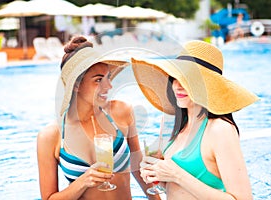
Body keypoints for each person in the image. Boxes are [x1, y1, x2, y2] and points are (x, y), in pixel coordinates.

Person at [131, 40, 259, 199]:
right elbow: (175, 187)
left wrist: (177, 175)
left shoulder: (220, 130)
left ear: (208, 85)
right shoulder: (172, 122)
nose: (178, 86)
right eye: (176, 77)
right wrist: (159, 176)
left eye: (188, 79)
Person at [37, 36, 159, 200]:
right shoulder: (51, 136)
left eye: (108, 77)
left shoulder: (121, 112)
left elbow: (137, 168)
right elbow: (48, 198)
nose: (108, 86)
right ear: (77, 84)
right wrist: (83, 181)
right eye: (98, 80)